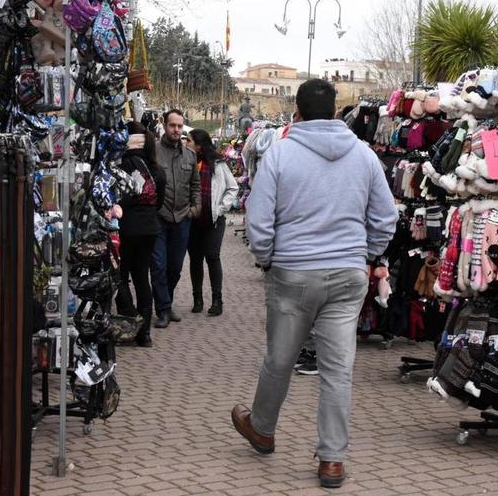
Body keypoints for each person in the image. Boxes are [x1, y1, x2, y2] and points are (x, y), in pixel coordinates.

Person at [231, 79, 398, 489]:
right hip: (347, 275)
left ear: (298, 112)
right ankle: (332, 460)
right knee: (338, 370)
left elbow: (259, 220)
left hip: (292, 272)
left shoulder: (280, 153)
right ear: (336, 111)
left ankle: (263, 428)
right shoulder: (364, 155)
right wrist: (366, 254)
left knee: (279, 359)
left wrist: (267, 259)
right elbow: (385, 218)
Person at [115, 121, 167, 347]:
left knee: (119, 277)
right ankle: (144, 332)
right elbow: (159, 202)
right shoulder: (156, 170)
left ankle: (128, 321)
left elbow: (118, 197)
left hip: (127, 228)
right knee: (141, 278)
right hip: (149, 228)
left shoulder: (123, 166)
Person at [151, 109, 201, 329]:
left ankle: (167, 302)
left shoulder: (190, 155)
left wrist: (195, 208)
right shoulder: (153, 151)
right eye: (173, 125)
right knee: (159, 265)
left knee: (175, 267)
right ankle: (162, 309)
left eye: (180, 126)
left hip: (182, 217)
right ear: (164, 125)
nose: (176, 130)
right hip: (159, 217)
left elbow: (195, 185)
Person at [185, 129, 238, 316]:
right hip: (193, 219)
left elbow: (232, 187)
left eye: (189, 140)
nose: (186, 143)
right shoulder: (187, 162)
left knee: (212, 257)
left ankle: (217, 300)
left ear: (199, 145)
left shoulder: (218, 163)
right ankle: (197, 298)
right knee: (195, 259)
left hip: (214, 219)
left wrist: (222, 207)